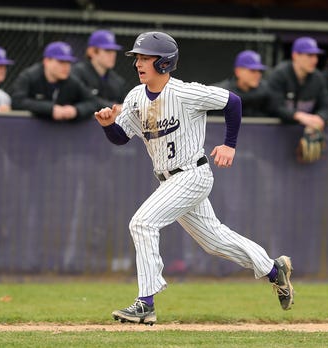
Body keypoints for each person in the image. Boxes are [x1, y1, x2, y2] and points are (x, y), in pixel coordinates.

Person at [94, 31, 294, 325]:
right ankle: (274, 270)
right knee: (214, 241)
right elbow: (121, 138)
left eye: (146, 58)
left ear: (164, 63)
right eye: (137, 57)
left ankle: (145, 302)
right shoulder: (136, 97)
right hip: (169, 180)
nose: (138, 63)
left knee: (142, 222)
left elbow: (233, 101)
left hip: (192, 174)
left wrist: (229, 144)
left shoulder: (185, 92)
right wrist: (109, 125)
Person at [11, 41, 99, 121]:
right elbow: (17, 101)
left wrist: (76, 110)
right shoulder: (29, 77)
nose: (66, 66)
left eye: (68, 62)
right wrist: (50, 109)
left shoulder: (71, 81)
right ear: (46, 61)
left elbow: (93, 102)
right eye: (61, 62)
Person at [267, 37, 328, 130]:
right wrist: (297, 116)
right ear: (295, 55)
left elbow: (327, 107)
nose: (315, 60)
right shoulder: (280, 74)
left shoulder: (318, 78)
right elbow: (274, 106)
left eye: (316, 56)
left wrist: (320, 118)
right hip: (275, 133)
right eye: (310, 55)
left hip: (305, 132)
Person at [72, 29, 127, 109]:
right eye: (107, 50)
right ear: (91, 51)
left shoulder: (117, 81)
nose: (113, 55)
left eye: (114, 51)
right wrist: (112, 106)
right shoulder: (77, 73)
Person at [212, 50, 273, 117]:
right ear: (238, 71)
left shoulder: (267, 90)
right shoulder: (220, 92)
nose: (258, 75)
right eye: (252, 71)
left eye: (259, 71)